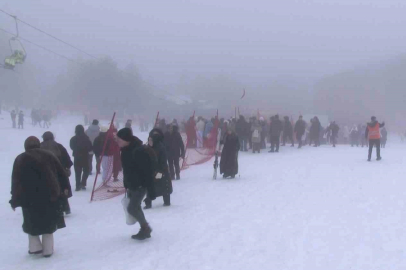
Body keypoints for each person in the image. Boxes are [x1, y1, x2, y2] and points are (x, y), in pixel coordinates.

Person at [10, 136, 71, 257]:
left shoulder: (20, 158)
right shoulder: (49, 156)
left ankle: (35, 247)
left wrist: (15, 199)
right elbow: (61, 174)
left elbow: (16, 181)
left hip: (29, 197)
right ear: (38, 144)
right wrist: (65, 189)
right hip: (50, 195)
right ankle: (48, 250)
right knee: (48, 222)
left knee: (31, 222)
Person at [116, 128, 155, 240]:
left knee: (132, 208)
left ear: (126, 139)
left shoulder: (138, 151)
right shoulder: (125, 149)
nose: (117, 141)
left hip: (140, 185)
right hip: (132, 184)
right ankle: (144, 229)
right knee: (135, 206)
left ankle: (146, 228)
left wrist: (150, 190)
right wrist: (126, 183)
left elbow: (147, 171)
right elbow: (127, 169)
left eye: (119, 139)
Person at [41, 131, 73, 215]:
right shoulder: (59, 146)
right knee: (62, 190)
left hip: (45, 173)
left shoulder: (40, 147)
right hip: (60, 173)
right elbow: (68, 160)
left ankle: (53, 209)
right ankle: (66, 208)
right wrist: (67, 168)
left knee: (49, 191)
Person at [145, 128, 172, 208]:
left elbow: (163, 161)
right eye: (148, 140)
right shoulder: (148, 148)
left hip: (161, 170)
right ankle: (148, 203)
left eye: (151, 140)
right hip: (151, 171)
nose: (149, 142)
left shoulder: (161, 148)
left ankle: (167, 202)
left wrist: (160, 171)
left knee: (164, 187)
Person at [70, 125, 93, 191]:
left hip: (76, 157)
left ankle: (77, 186)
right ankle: (83, 183)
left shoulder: (73, 138)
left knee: (77, 172)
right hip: (85, 156)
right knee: (86, 170)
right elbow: (90, 148)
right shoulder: (86, 138)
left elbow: (71, 147)